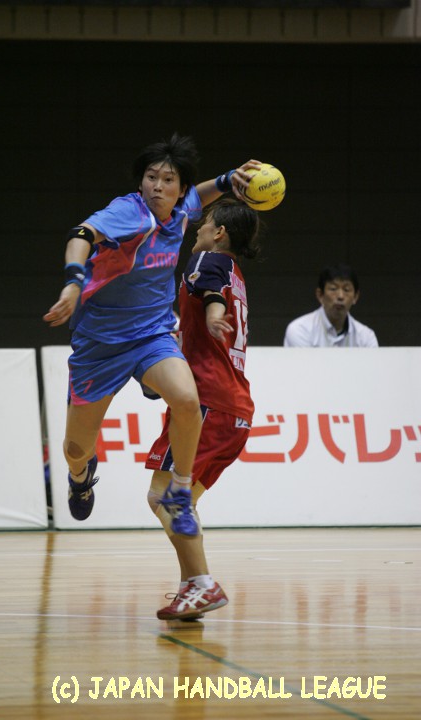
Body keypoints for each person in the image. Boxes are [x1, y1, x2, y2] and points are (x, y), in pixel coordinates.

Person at [43, 132, 262, 536]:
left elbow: (199, 196)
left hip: (151, 335)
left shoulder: (180, 211)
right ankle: (80, 477)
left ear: (179, 189)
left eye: (167, 180)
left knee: (187, 398)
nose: (157, 186)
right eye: (151, 177)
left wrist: (228, 179)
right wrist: (73, 282)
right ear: (141, 181)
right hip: (99, 345)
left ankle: (179, 489)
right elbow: (81, 235)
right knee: (75, 449)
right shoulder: (130, 213)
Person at [145, 198, 262, 620]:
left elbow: (210, 293)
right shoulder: (237, 275)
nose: (198, 228)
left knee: (164, 496)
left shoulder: (209, 260)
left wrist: (213, 312)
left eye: (206, 222)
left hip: (208, 404)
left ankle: (202, 584)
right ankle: (190, 588)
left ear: (220, 233)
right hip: (233, 410)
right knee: (180, 502)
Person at [283, 263, 379, 348]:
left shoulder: (366, 337)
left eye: (346, 290)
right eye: (333, 289)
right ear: (320, 295)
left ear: (355, 297)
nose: (340, 296)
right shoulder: (300, 329)